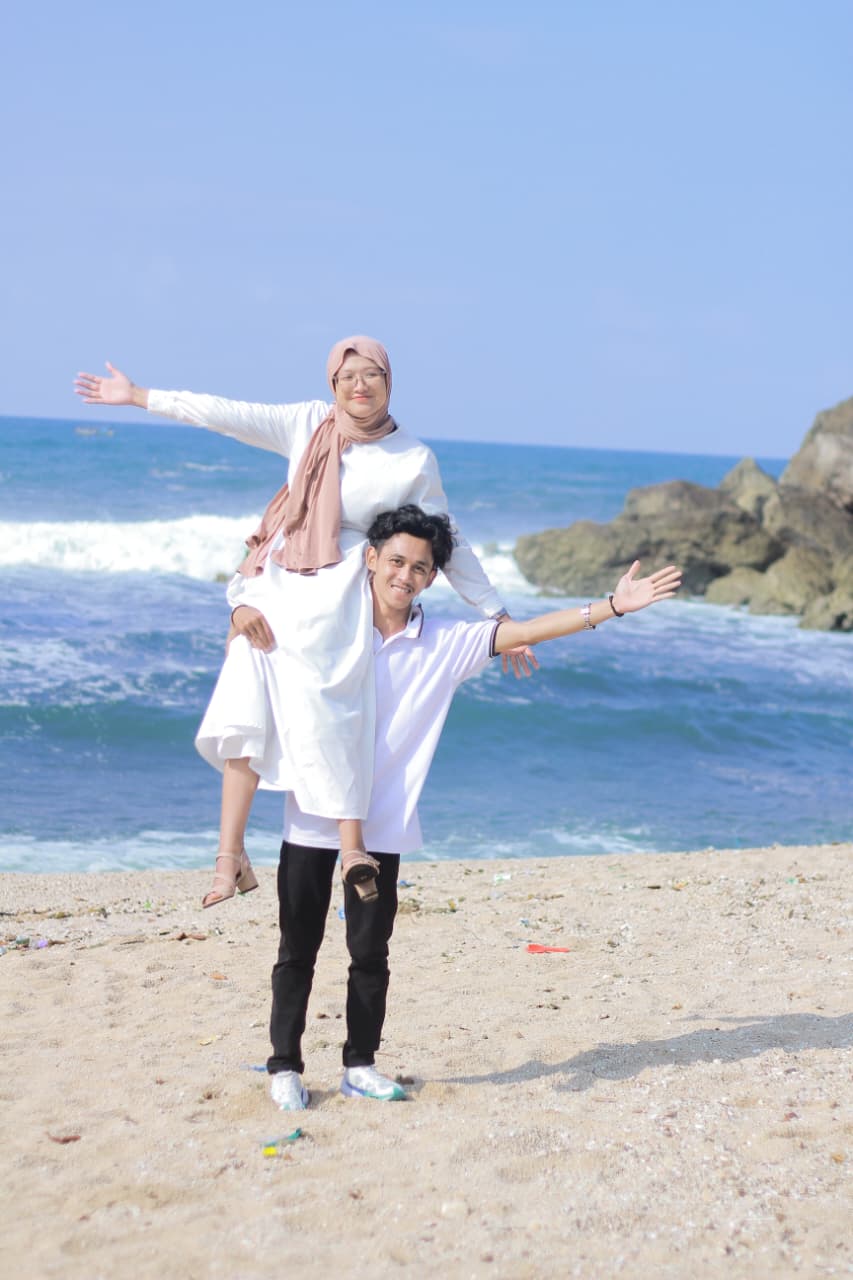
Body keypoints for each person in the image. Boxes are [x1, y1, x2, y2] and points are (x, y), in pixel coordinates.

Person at [74, 340, 531, 907]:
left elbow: (447, 539)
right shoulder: (308, 423)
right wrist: (140, 396)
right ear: (332, 384)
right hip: (281, 577)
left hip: (341, 592)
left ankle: (350, 843)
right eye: (347, 376)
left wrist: (495, 612)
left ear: (389, 382)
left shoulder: (413, 459)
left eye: (371, 375)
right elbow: (225, 414)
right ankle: (229, 854)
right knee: (244, 675)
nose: (359, 386)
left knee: (336, 706)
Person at [265, 504, 681, 1109]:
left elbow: (526, 632)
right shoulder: (330, 627)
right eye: (396, 561)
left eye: (420, 567)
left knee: (369, 954)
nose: (405, 575)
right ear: (371, 559)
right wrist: (240, 608)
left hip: (383, 825)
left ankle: (359, 1064)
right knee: (296, 949)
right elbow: (267, 597)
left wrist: (611, 607)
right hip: (312, 814)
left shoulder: (443, 644)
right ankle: (284, 1067)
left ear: (433, 577)